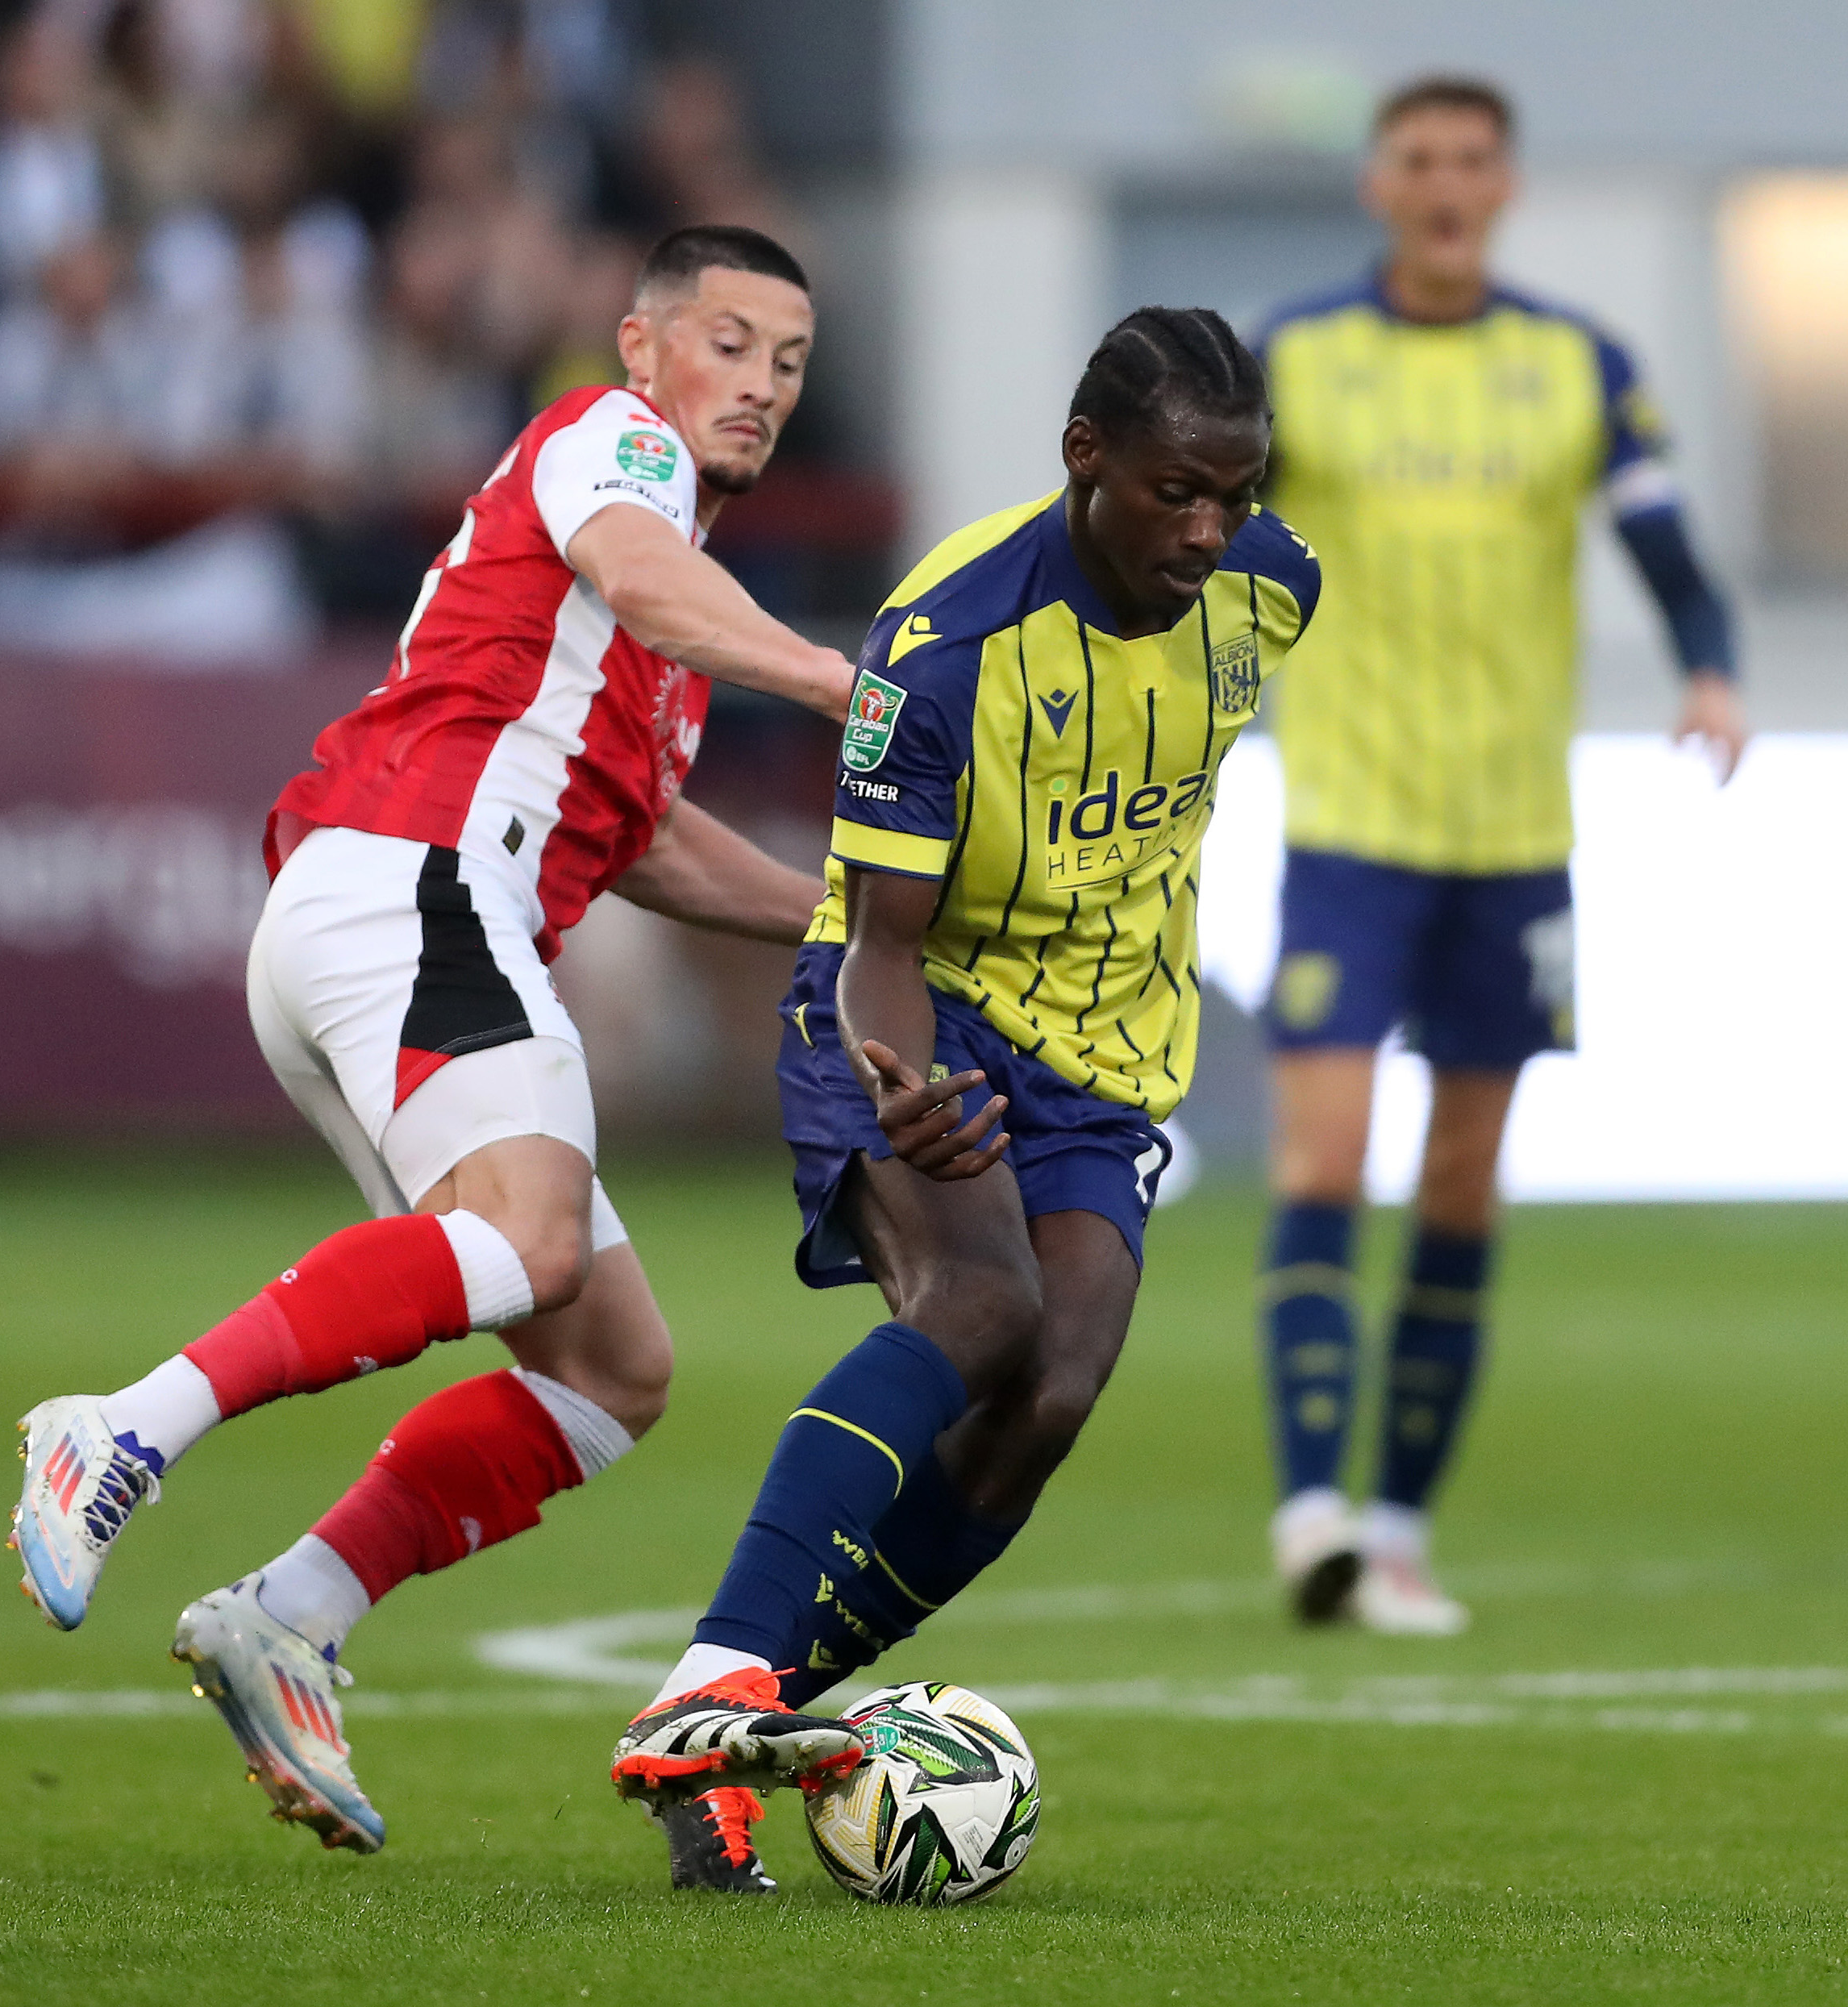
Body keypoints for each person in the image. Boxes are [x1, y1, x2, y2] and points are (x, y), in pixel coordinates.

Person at [6, 225, 855, 1872]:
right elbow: (639, 571)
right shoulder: (616, 453)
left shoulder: (647, 641)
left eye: (788, 363)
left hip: (384, 920)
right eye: (729, 343)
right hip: (420, 887)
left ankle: (289, 1613)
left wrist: (837, 923)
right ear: (642, 348)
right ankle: (123, 1428)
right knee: (530, 1241)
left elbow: (645, 837)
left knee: (611, 1369)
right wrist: (845, 683)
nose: (754, 385)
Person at [604, 306, 1321, 1893]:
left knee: (1049, 1397)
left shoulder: (1273, 590)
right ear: (1085, 462)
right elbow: (877, 944)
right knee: (983, 1305)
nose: (1207, 531)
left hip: (1112, 1054)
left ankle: (744, 1723)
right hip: (915, 1009)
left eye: (1234, 492)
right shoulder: (937, 653)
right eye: (1172, 494)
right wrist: (901, 1086)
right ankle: (717, 1673)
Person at [1251, 77, 1746, 1635]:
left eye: (1472, 161)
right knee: (1326, 1156)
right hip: (1349, 825)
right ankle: (1312, 1507)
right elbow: (1195, 537)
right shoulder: (1297, 361)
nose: (1447, 185)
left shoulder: (1578, 366)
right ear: (1377, 186)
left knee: (1464, 1180)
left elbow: (1666, 546)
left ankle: (1395, 1530)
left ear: (1507, 185)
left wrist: (1711, 669)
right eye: (1419, 161)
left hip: (1516, 839)